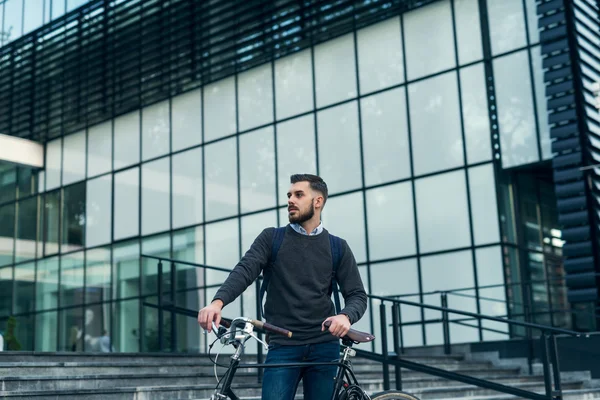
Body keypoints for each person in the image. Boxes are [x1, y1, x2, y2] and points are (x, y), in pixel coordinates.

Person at [198, 174, 367, 400]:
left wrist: (345, 316)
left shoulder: (337, 247)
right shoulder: (272, 238)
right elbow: (245, 270)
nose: (290, 200)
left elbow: (357, 295)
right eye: (289, 195)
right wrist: (217, 303)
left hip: (324, 346)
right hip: (283, 345)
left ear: (318, 202)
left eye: (299, 195)